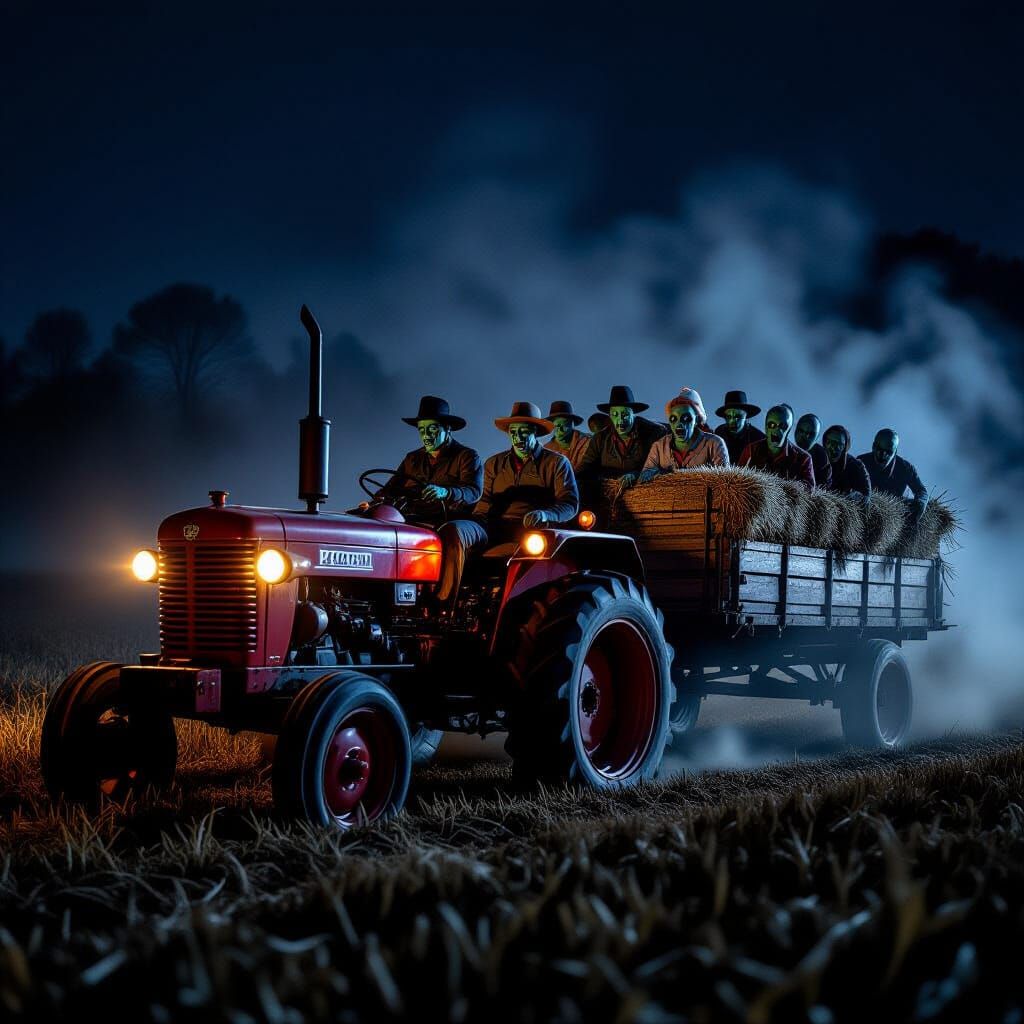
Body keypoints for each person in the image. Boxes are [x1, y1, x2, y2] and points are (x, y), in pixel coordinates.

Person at [435, 402, 579, 602]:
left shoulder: (556, 463)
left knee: (518, 555)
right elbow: (484, 500)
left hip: (530, 532)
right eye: (514, 432)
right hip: (491, 526)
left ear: (535, 432)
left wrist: (545, 514)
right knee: (453, 530)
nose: (518, 438)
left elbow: (569, 503)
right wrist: (475, 520)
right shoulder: (494, 463)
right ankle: (445, 604)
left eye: (524, 432)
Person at [375, 395, 483, 526]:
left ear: (447, 429)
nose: (426, 435)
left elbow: (473, 492)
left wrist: (445, 492)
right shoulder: (412, 458)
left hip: (448, 520)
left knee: (450, 532)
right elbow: (390, 489)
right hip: (413, 519)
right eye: (422, 430)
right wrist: (373, 503)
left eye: (432, 429)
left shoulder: (467, 456)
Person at [576, 385, 668, 504]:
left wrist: (636, 474)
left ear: (633, 413)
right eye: (615, 414)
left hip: (646, 497)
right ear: (609, 415)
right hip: (611, 498)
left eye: (624, 414)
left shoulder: (654, 433)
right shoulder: (600, 439)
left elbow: (662, 465)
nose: (620, 420)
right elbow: (585, 468)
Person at [640, 386, 729, 478]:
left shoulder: (715, 444)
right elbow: (644, 477)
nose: (679, 424)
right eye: (674, 419)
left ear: (696, 420)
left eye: (686, 418)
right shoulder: (659, 447)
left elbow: (723, 482)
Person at [858, 428, 928, 523]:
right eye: (880, 449)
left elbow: (921, 491)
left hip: (894, 518)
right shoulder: (860, 462)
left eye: (888, 452)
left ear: (895, 452)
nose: (883, 455)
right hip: (864, 514)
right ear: (873, 446)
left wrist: (921, 502)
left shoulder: (906, 468)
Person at [739, 404, 815, 490]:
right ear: (765, 427)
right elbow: (738, 482)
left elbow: (809, 490)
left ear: (789, 429)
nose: (776, 430)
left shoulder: (803, 459)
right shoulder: (751, 450)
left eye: (782, 426)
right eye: (772, 425)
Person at [713, 390, 765, 464]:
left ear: (746, 416)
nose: (732, 421)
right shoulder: (719, 433)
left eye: (738, 416)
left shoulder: (758, 438)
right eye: (729, 416)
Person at [821, 425, 871, 501]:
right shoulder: (815, 458)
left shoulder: (856, 466)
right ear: (824, 442)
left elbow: (865, 494)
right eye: (830, 442)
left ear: (845, 446)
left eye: (839, 444)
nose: (833, 447)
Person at [544, 400, 591, 469]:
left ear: (572, 424)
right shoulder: (547, 450)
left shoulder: (587, 442)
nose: (560, 429)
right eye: (556, 426)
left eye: (564, 424)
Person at [793, 413, 833, 489]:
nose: (805, 436)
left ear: (817, 438)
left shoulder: (821, 457)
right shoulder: (783, 444)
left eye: (811, 434)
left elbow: (823, 485)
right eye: (801, 431)